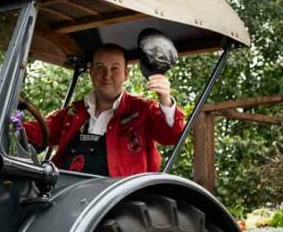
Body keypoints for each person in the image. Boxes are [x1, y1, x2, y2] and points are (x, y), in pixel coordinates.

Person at [25, 43, 185, 177]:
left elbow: (170, 135)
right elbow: (40, 131)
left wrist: (165, 99)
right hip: (66, 195)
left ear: (125, 74)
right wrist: (11, 126)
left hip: (120, 205)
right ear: (91, 73)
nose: (107, 75)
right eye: (100, 68)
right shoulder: (74, 112)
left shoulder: (142, 110)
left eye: (114, 68)